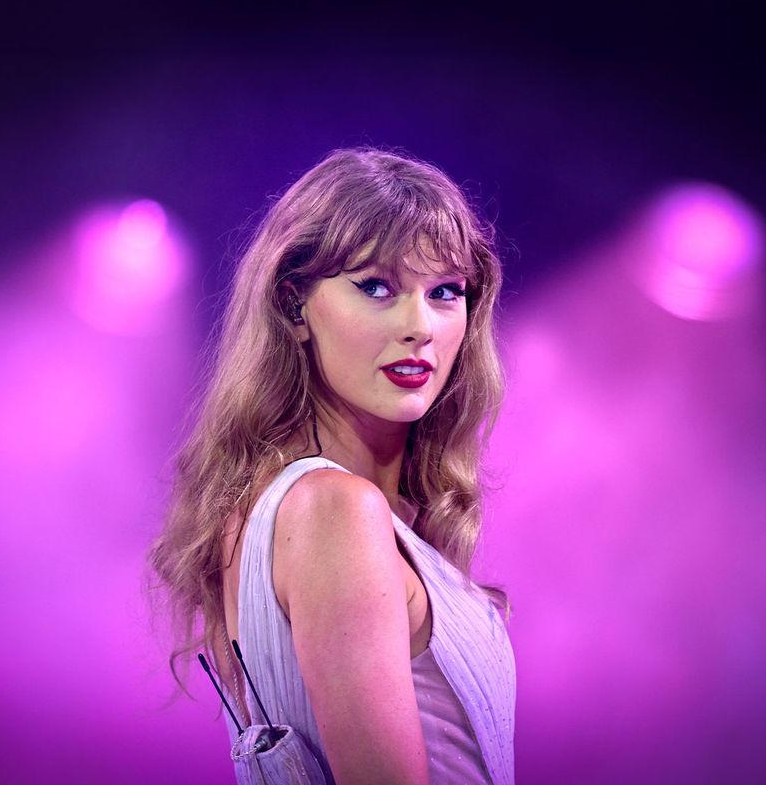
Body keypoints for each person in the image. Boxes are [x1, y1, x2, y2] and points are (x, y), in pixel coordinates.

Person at [148, 147, 515, 785]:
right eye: (377, 287)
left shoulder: (282, 507)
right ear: (294, 308)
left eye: (445, 291)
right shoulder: (333, 509)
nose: (419, 326)